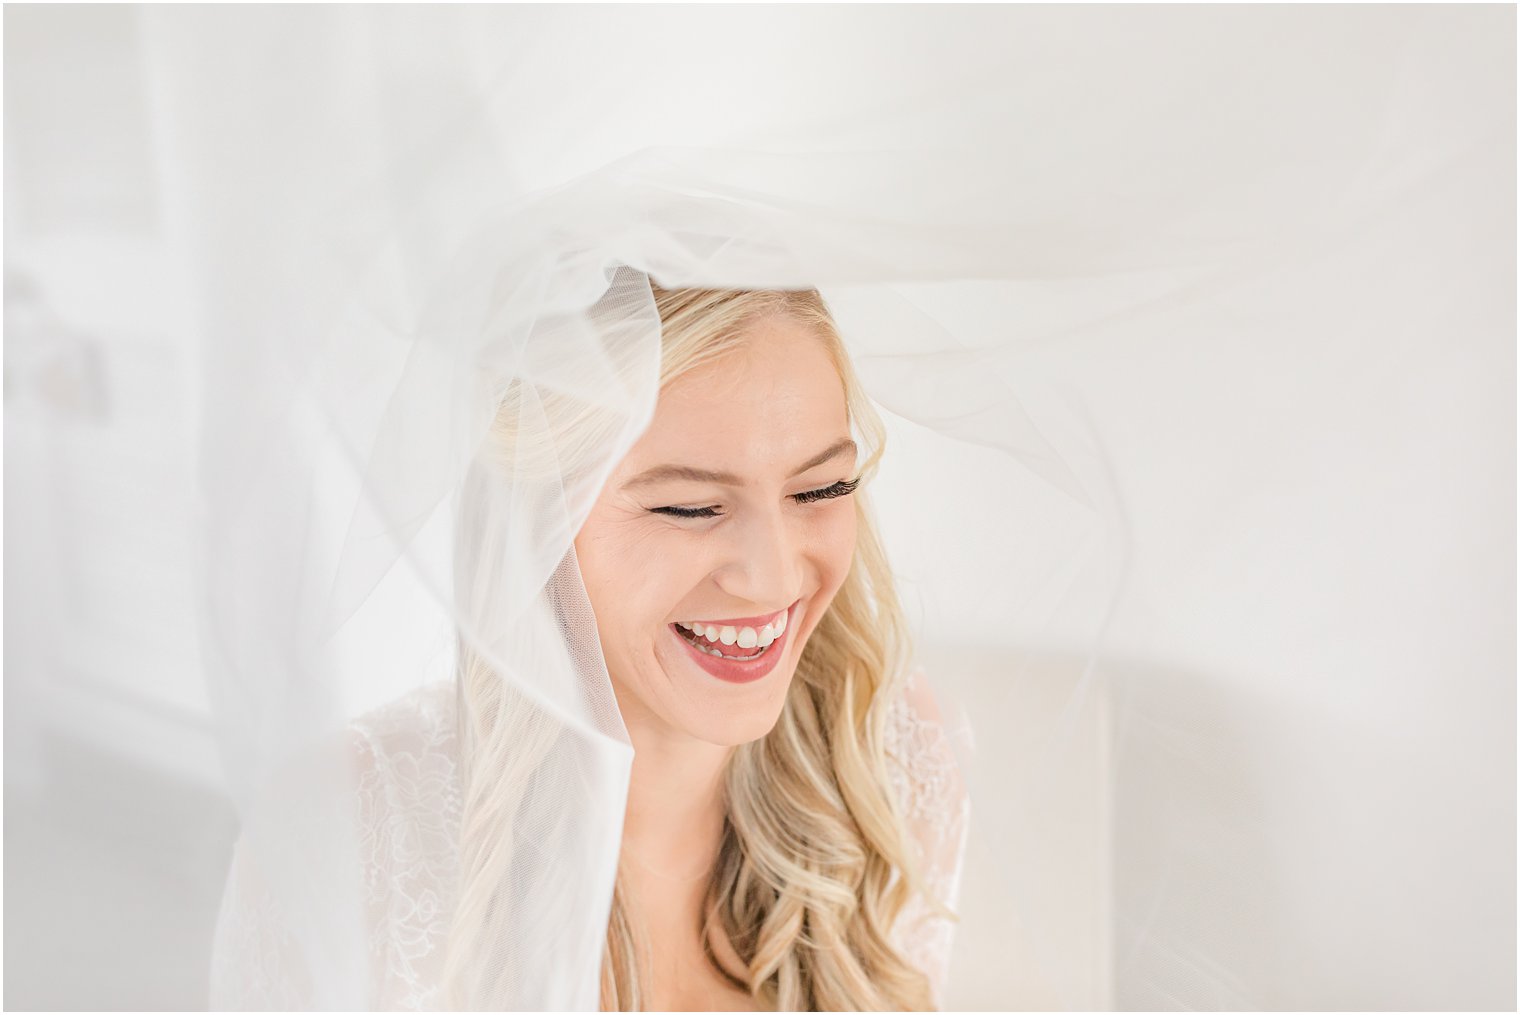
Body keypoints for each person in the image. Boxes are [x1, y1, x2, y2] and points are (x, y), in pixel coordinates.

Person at [210, 280, 970, 1012]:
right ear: (538, 522)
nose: (772, 577)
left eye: (821, 490)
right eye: (691, 506)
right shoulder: (347, 836)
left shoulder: (891, 765)